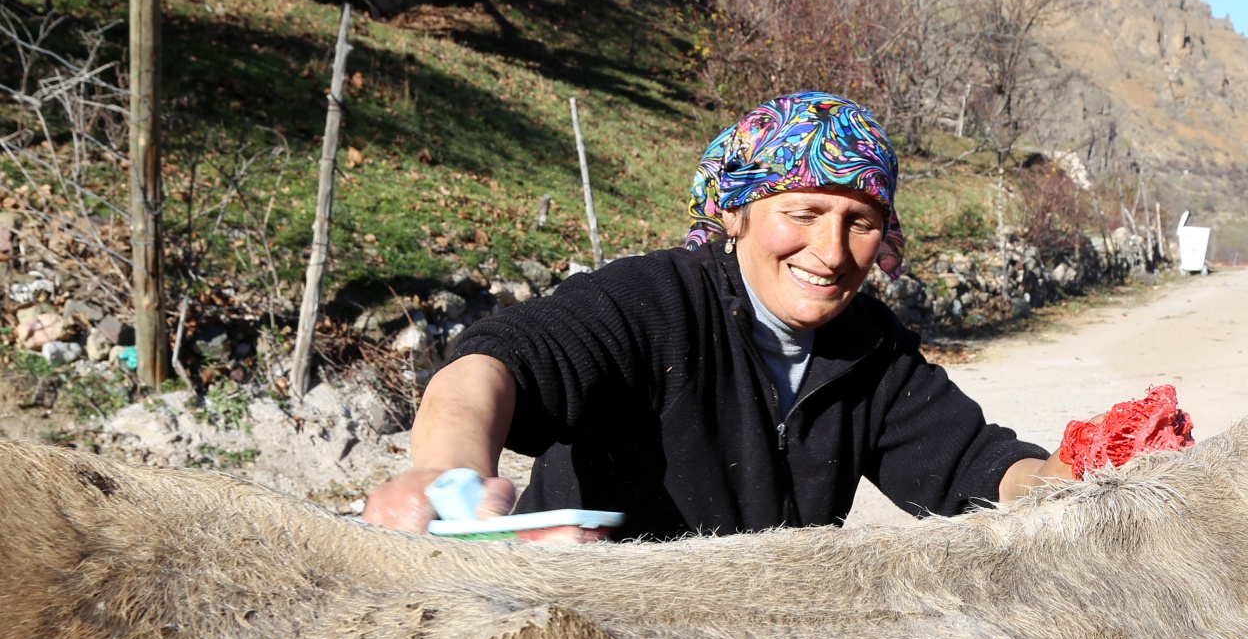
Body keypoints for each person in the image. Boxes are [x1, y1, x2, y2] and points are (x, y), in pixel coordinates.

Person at [364, 92, 1073, 542]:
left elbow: (978, 465)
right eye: (802, 212)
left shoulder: (871, 352)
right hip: (592, 637)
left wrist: (1071, 481)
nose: (830, 252)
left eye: (860, 222)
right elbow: (495, 364)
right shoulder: (657, 303)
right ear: (735, 212)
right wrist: (445, 475)